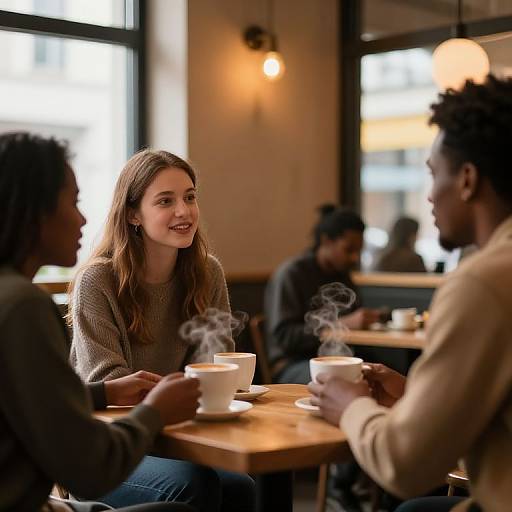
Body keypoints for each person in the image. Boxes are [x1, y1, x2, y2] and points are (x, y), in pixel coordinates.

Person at [309, 75, 512, 512]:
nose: (430, 196)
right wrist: (413, 397)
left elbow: (406, 466)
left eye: (433, 174)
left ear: (468, 180)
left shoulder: (484, 281)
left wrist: (351, 407)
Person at [0, 132, 198, 512]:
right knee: (181, 502)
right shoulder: (23, 306)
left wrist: (103, 393)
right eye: (72, 201)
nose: (84, 217)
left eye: (190, 197)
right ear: (33, 210)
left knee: (234, 489)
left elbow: (28, 401)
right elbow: (89, 468)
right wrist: (155, 410)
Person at [69, 150, 255, 512]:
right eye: (165, 201)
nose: (184, 211)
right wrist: (182, 393)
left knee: (241, 488)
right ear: (133, 214)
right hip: (104, 449)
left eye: (189, 197)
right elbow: (111, 384)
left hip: (177, 438)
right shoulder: (97, 281)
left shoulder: (207, 273)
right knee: (193, 486)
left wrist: (203, 388)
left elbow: (215, 368)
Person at [265, 205, 381, 385]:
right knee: (345, 380)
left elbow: (355, 318)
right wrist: (341, 324)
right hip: (292, 364)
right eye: (349, 249)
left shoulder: (342, 275)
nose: (354, 258)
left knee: (383, 374)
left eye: (358, 251)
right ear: (326, 241)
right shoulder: (292, 274)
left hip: (336, 358)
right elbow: (285, 336)